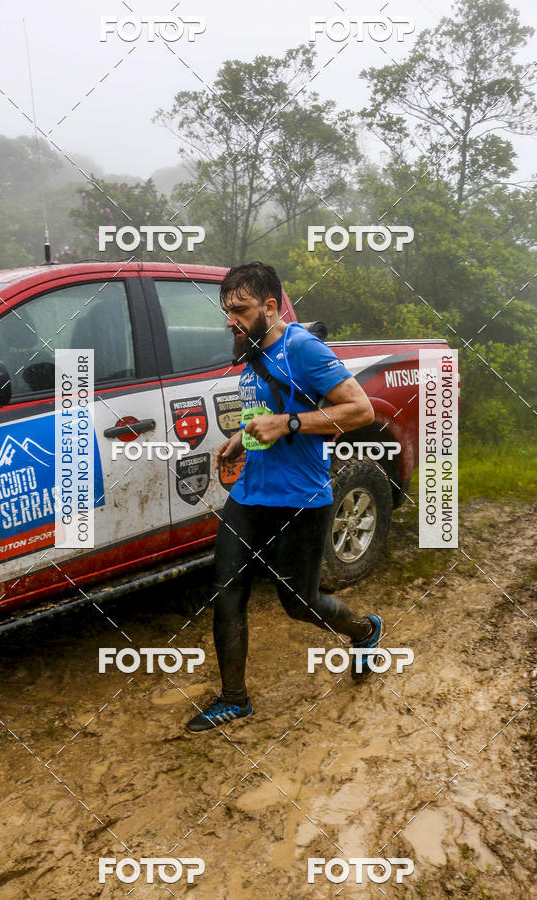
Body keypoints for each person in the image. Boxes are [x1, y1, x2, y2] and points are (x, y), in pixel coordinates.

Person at [186, 261, 383, 734]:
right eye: (225, 310)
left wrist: (289, 425)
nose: (229, 319)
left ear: (271, 307)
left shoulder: (302, 348)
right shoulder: (251, 348)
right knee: (227, 594)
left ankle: (365, 631)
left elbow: (360, 409)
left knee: (300, 604)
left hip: (301, 499)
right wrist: (241, 436)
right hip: (251, 495)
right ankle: (235, 699)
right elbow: (269, 409)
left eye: (240, 309)